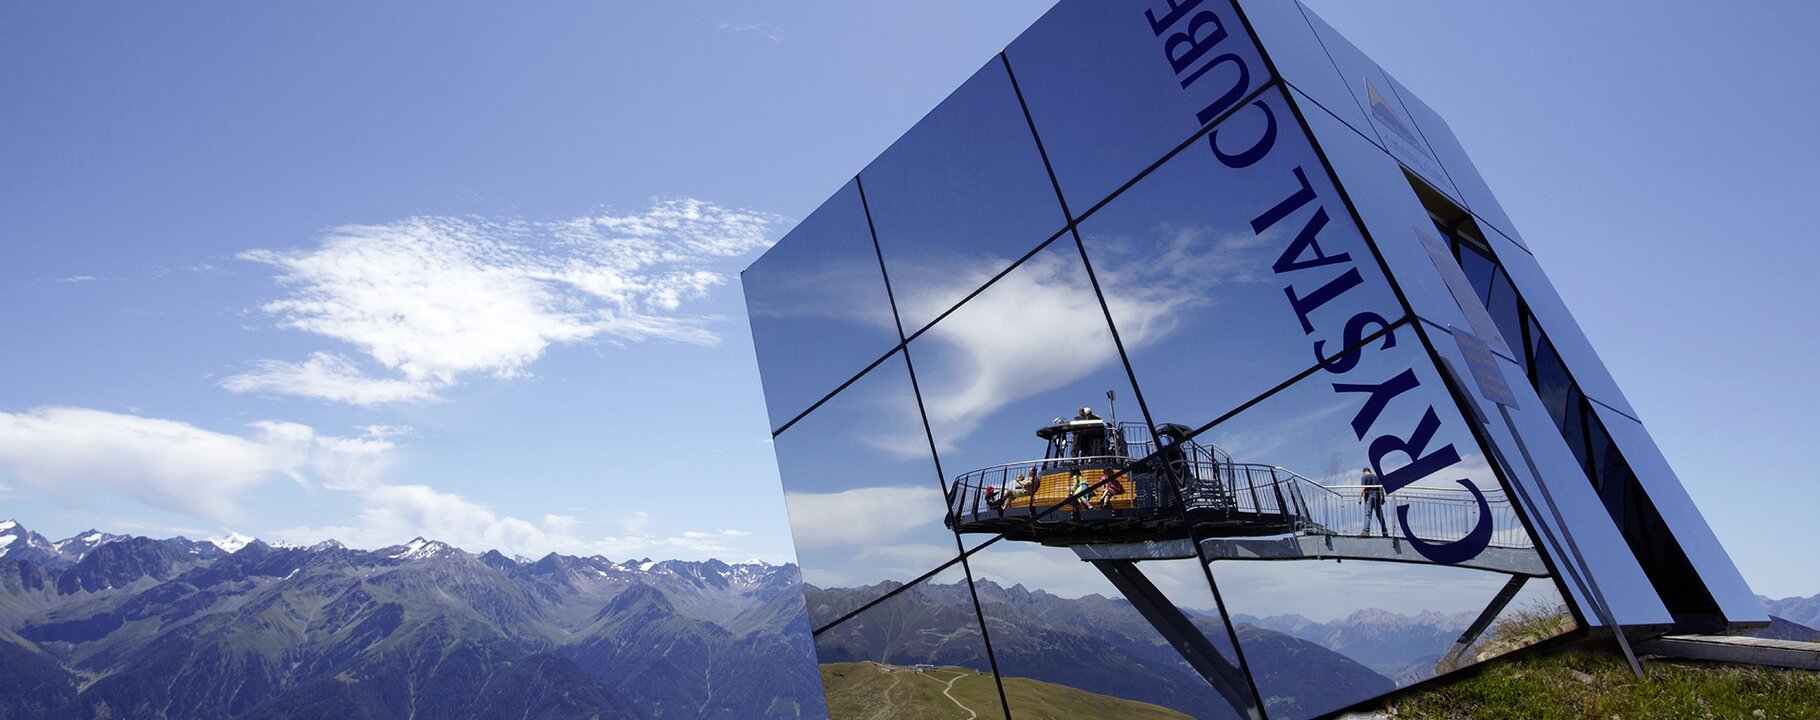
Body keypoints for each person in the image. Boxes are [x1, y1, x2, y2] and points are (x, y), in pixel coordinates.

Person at [1359, 467, 1389, 537]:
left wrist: (1359, 498)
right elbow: (1381, 488)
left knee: (1368, 514)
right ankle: (1385, 532)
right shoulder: (1376, 477)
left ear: (1364, 472)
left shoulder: (1364, 477)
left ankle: (1366, 531)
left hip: (1369, 497)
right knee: (1380, 515)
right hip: (1377, 498)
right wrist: (1383, 498)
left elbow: (1363, 488)